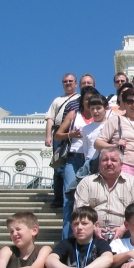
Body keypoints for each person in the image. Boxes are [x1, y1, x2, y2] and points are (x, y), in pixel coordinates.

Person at [74, 146, 134, 242]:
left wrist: (123, 228)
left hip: (127, 234)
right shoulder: (86, 182)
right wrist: (95, 229)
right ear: (99, 164)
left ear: (121, 164)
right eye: (104, 160)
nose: (109, 163)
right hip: (92, 235)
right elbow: (79, 211)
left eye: (113, 160)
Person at [55, 86, 99, 239]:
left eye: (92, 98)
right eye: (86, 98)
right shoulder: (74, 114)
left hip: (92, 162)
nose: (89, 101)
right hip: (74, 160)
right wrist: (70, 134)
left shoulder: (99, 115)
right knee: (69, 198)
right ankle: (66, 239)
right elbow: (58, 135)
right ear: (82, 100)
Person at [94, 88, 134, 200]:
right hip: (124, 165)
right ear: (124, 103)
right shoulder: (116, 120)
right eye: (130, 101)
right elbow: (97, 143)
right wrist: (114, 146)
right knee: (123, 201)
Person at [45, 74, 79, 208]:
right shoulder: (57, 100)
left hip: (74, 132)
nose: (68, 83)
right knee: (58, 165)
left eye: (71, 81)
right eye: (65, 81)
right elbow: (50, 119)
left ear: (76, 84)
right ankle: (58, 197)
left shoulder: (80, 99)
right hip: (59, 132)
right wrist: (48, 136)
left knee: (71, 165)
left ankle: (70, 195)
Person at [81, 94, 108, 163]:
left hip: (106, 162)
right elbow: (85, 150)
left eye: (98, 108)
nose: (95, 111)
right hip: (90, 163)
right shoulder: (85, 129)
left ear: (106, 108)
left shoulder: (111, 125)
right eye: (92, 108)